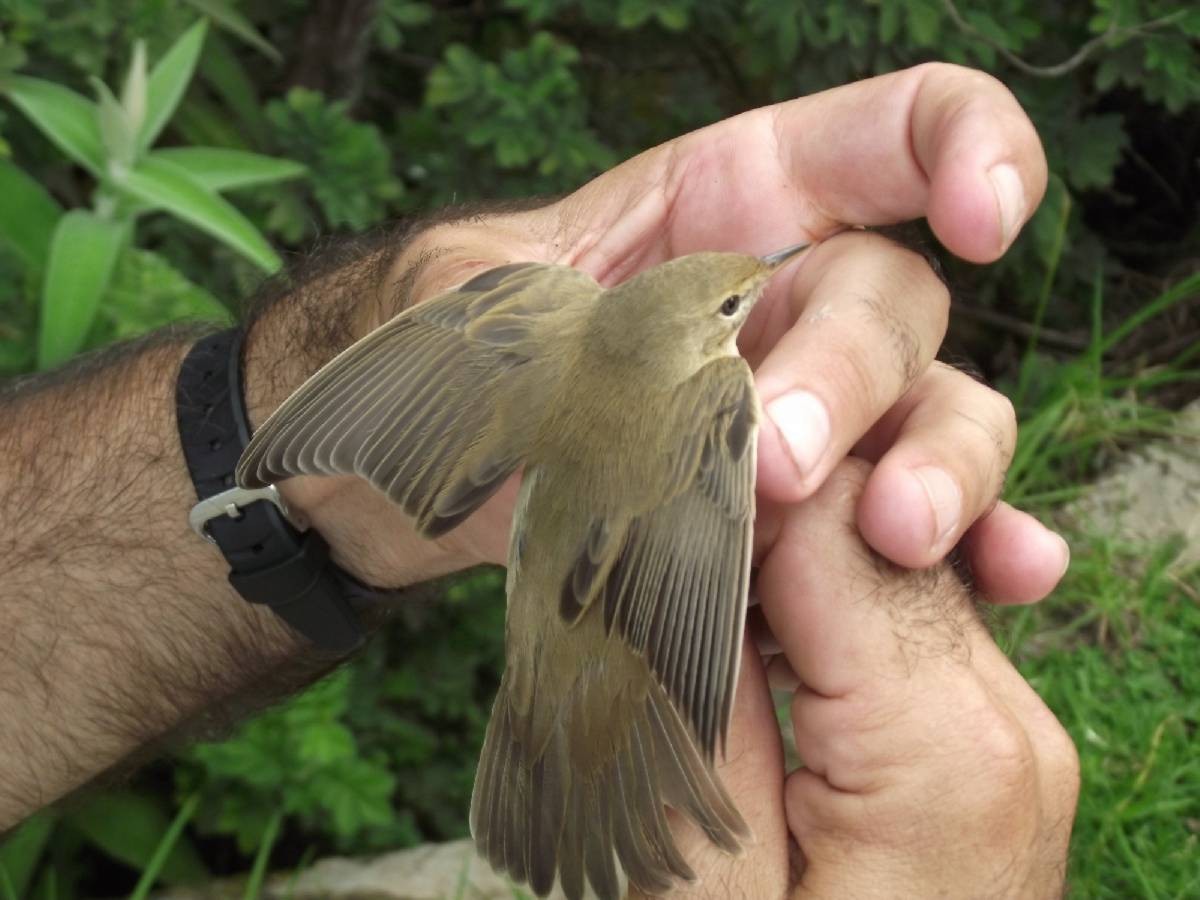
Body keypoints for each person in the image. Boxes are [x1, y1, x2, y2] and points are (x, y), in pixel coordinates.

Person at [0, 62, 1078, 895]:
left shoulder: (550, 306)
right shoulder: (709, 396)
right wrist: (694, 677)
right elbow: (696, 583)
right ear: (703, 335)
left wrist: (275, 447)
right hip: (603, 630)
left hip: (555, 573)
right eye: (734, 310)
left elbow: (418, 376)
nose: (752, 305)